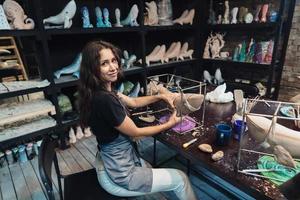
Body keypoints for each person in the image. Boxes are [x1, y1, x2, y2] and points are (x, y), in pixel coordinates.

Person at [79, 40, 197, 200]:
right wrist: (170, 123)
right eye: (104, 63)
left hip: (110, 162)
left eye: (114, 60)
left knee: (149, 166)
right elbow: (136, 133)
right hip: (120, 173)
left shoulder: (101, 91)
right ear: (93, 68)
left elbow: (133, 102)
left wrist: (159, 96)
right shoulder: (105, 100)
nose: (113, 67)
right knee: (181, 179)